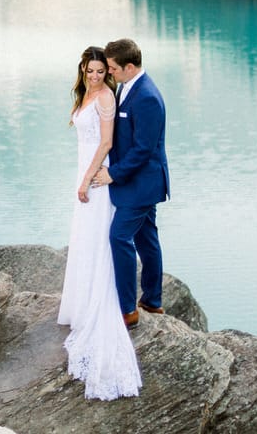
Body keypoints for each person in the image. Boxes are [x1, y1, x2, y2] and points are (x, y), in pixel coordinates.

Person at [57, 46, 142, 400]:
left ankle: (99, 304)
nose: (94, 76)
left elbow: (106, 142)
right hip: (85, 173)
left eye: (99, 71)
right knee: (84, 240)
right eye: (89, 71)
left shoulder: (106, 96)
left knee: (94, 240)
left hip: (94, 179)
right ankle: (80, 302)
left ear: (107, 72)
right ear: (83, 69)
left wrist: (88, 178)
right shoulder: (86, 93)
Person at [89, 37, 170, 329]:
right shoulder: (127, 87)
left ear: (130, 66)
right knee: (147, 239)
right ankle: (152, 300)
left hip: (142, 183)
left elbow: (143, 149)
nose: (109, 73)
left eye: (112, 68)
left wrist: (113, 173)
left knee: (119, 237)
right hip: (139, 182)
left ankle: (127, 310)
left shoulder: (147, 96)